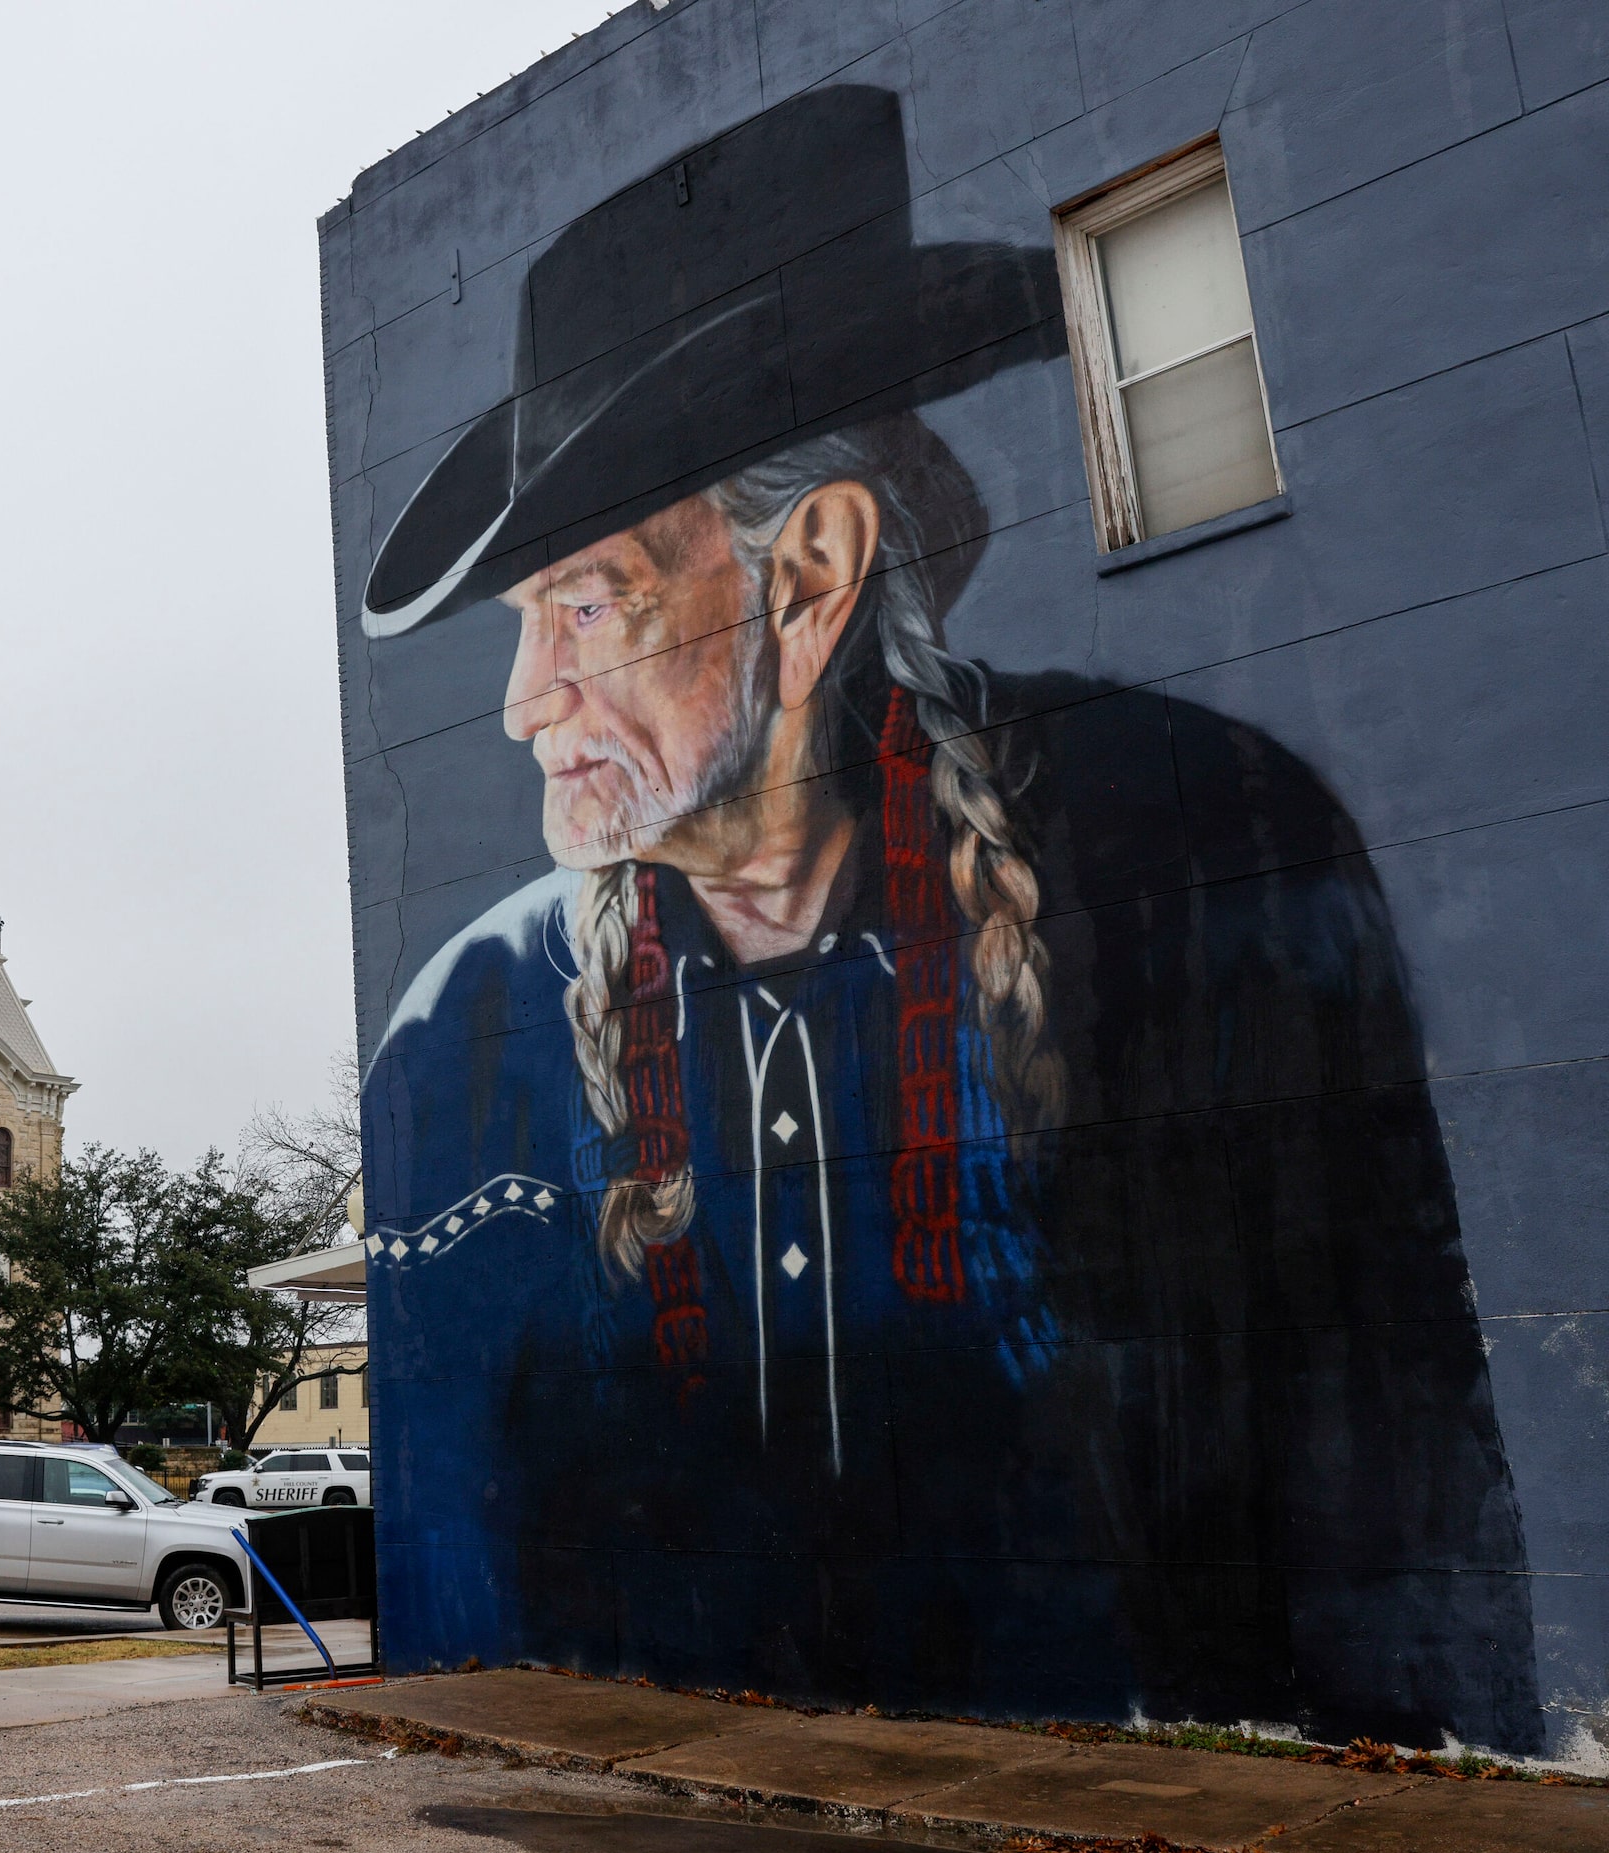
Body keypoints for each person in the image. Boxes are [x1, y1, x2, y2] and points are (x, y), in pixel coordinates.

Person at [357, 85, 1537, 1752]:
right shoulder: (461, 1040)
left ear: (811, 573)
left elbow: (1396, 1524)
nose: (521, 700)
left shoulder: (1208, 856)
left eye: (583, 602)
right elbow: (479, 1639)